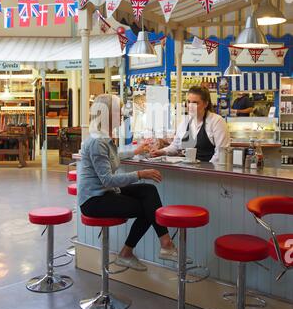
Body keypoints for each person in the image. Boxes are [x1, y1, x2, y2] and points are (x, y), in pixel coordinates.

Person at [78, 94, 180, 272]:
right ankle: (134, 251)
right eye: (119, 112)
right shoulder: (97, 141)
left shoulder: (103, 138)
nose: (122, 115)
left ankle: (165, 244)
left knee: (148, 192)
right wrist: (140, 173)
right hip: (93, 201)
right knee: (149, 209)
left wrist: (135, 151)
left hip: (105, 193)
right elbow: (108, 180)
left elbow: (112, 159)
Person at [151, 86, 230, 163]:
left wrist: (207, 169)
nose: (190, 106)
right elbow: (175, 146)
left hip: (209, 170)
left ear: (205, 104)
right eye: (188, 102)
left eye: (195, 103)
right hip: (188, 169)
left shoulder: (216, 121)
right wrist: (161, 152)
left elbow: (221, 153)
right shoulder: (185, 122)